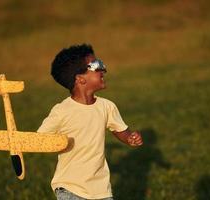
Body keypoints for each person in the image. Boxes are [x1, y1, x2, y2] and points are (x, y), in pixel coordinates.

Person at [37, 44, 143, 200]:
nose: (103, 69)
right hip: (70, 187)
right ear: (80, 79)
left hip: (101, 190)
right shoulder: (62, 111)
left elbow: (118, 129)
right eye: (97, 65)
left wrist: (129, 137)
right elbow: (40, 139)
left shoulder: (107, 106)